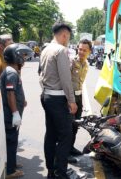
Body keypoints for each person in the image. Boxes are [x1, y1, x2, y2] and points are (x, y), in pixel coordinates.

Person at [39, 22, 79, 179]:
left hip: (46, 95)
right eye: (68, 37)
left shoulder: (46, 49)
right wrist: (72, 100)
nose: (68, 40)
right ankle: (60, 173)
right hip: (57, 97)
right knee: (66, 136)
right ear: (64, 35)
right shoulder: (61, 50)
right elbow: (65, 79)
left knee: (51, 134)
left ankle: (51, 171)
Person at [0, 43, 32, 178]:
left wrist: (21, 100)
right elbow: (10, 94)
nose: (24, 59)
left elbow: (15, 92)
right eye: (22, 55)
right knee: (11, 140)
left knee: (12, 139)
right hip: (10, 114)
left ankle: (11, 162)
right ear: (15, 57)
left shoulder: (12, 71)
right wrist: (15, 113)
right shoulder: (12, 73)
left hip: (12, 113)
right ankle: (10, 171)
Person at [68, 39, 92, 163]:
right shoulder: (71, 61)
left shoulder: (86, 64)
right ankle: (65, 153)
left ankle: (71, 148)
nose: (81, 52)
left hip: (79, 96)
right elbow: (66, 81)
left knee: (75, 125)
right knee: (68, 125)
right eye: (80, 49)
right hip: (70, 97)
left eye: (84, 50)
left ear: (89, 51)